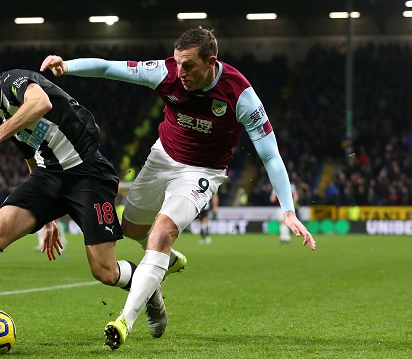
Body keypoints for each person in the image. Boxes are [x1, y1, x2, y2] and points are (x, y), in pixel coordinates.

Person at [41, 26, 317, 350]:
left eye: (189, 66)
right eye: (177, 63)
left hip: (202, 171)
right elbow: (107, 67)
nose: (181, 72)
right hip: (162, 156)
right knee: (130, 228)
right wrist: (67, 65)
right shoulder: (166, 72)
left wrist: (288, 210)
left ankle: (124, 321)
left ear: (211, 62)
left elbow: (269, 153)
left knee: (160, 234)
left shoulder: (240, 95)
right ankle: (163, 266)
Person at [0, 52, 177, 345]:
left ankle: (149, 287)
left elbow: (41, 102)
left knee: (105, 272)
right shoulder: (2, 111)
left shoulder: (15, 82)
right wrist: (48, 218)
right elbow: (30, 155)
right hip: (48, 177)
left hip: (88, 177)